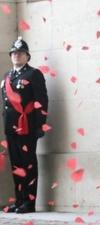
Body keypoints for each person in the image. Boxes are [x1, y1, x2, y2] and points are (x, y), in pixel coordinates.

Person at [2, 37, 48, 214]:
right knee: (16, 165)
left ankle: (29, 203)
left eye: (20, 53)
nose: (16, 56)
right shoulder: (8, 76)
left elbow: (41, 101)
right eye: (14, 53)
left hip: (28, 126)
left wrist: (40, 125)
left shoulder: (34, 74)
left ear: (27, 57)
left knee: (28, 164)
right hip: (11, 127)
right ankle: (19, 200)